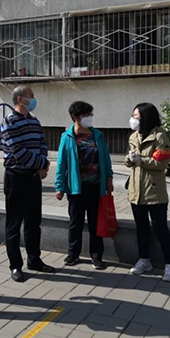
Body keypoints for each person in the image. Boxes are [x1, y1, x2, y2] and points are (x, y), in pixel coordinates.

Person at [0, 86, 55, 283]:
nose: (34, 99)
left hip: (33, 178)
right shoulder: (8, 122)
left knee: (33, 222)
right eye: (31, 96)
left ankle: (34, 259)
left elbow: (42, 144)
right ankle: (15, 265)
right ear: (20, 99)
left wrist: (43, 163)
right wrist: (41, 164)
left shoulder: (34, 121)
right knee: (14, 224)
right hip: (16, 177)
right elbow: (18, 152)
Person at [55, 101, 114, 270]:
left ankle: (97, 256)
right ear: (75, 117)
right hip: (76, 188)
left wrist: (109, 178)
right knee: (76, 222)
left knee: (95, 223)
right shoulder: (67, 137)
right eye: (85, 115)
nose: (89, 118)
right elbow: (61, 163)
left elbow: (106, 159)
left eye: (90, 114)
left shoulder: (97, 135)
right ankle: (73, 253)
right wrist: (59, 186)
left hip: (96, 186)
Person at [125, 103, 170, 282]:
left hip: (155, 192)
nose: (133, 120)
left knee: (161, 229)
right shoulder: (133, 136)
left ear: (146, 118)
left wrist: (141, 160)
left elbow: (162, 163)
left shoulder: (160, 136)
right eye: (133, 116)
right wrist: (130, 159)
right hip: (136, 192)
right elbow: (128, 159)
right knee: (141, 229)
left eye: (136, 117)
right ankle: (144, 260)